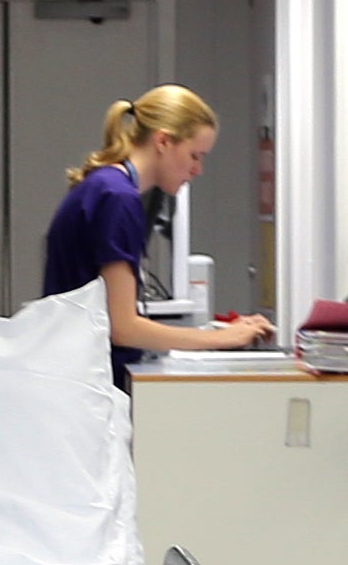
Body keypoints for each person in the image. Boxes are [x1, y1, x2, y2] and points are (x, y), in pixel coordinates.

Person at [39, 84, 275, 383]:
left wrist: (216, 330)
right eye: (194, 156)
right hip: (85, 379)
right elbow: (123, 327)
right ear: (163, 141)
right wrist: (224, 339)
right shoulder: (118, 199)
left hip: (70, 369)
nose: (198, 170)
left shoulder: (104, 186)